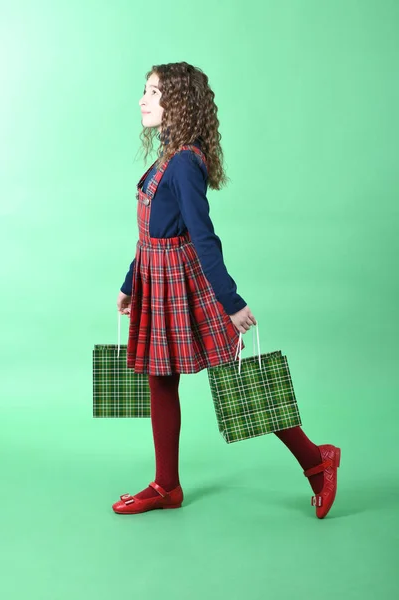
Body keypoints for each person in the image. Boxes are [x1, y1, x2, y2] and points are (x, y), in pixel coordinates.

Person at [112, 62, 341, 519]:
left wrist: (230, 302)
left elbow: (202, 237)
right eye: (145, 91)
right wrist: (130, 283)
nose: (143, 99)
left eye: (154, 92)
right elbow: (152, 233)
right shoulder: (166, 155)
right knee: (161, 377)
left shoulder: (183, 164)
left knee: (239, 378)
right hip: (156, 281)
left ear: (179, 102)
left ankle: (318, 461)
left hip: (186, 285)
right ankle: (166, 486)